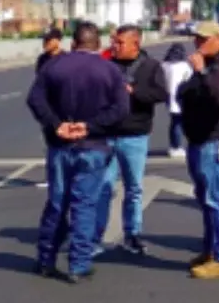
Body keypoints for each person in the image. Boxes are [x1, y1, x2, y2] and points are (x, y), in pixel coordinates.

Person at [28, 21, 130, 283]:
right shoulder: (109, 70)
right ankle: (78, 264)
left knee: (56, 204)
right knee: (85, 205)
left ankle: (46, 259)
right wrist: (89, 126)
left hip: (61, 145)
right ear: (99, 45)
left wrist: (56, 124)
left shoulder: (55, 66)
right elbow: (120, 109)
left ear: (73, 44)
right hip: (94, 145)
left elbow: (35, 99)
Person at [93, 25, 168, 256]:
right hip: (107, 135)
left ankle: (132, 234)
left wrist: (133, 92)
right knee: (103, 187)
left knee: (134, 188)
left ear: (135, 44)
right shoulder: (107, 66)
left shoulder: (151, 67)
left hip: (135, 135)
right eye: (114, 42)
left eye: (120, 43)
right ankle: (95, 237)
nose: (114, 46)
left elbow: (160, 95)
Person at [177, 21, 219, 279]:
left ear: (218, 39)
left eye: (203, 39)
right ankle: (212, 250)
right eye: (196, 39)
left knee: (217, 199)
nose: (198, 43)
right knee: (206, 200)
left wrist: (202, 73)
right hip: (199, 138)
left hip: (214, 140)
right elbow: (188, 92)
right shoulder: (210, 63)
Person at [35, 28, 66, 189]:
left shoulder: (66, 59)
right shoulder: (42, 60)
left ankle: (65, 176)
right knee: (49, 143)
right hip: (48, 108)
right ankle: (51, 177)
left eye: (48, 40)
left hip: (63, 108)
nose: (44, 44)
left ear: (57, 41)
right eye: (43, 40)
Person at [162, 43, 192, 158]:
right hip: (181, 96)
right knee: (179, 122)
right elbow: (189, 79)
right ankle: (177, 146)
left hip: (168, 95)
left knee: (174, 122)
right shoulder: (184, 65)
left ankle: (174, 145)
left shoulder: (164, 65)